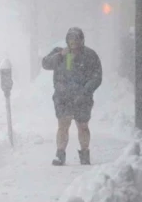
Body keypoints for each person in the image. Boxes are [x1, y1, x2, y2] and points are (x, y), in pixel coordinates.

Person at [41, 27, 102, 166]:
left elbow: (97, 77)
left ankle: (85, 154)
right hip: (63, 97)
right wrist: (60, 55)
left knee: (83, 126)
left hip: (83, 98)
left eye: (76, 39)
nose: (73, 42)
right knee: (63, 125)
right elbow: (45, 63)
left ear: (82, 40)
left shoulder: (90, 55)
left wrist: (85, 91)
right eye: (70, 39)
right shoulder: (60, 53)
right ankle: (60, 154)